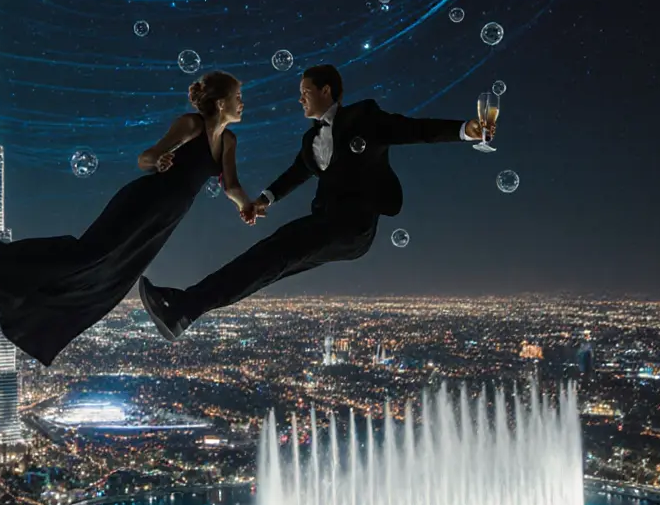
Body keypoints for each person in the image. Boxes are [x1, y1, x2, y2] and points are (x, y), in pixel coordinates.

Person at [138, 64, 492, 340]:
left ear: (326, 91)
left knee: (270, 254)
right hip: (328, 224)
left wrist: (465, 130)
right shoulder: (311, 140)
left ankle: (184, 308)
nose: (300, 99)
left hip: (353, 227)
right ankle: (185, 311)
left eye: (305, 91)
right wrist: (263, 200)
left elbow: (415, 130)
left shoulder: (365, 118)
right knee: (266, 265)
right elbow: (297, 172)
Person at [0, 71, 254, 366]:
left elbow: (232, 185)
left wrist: (247, 206)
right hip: (144, 202)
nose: (243, 103)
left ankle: (32, 301)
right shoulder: (191, 125)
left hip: (166, 219)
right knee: (83, 255)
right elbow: (146, 157)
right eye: (238, 97)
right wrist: (160, 160)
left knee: (112, 278)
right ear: (222, 102)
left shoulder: (228, 140)